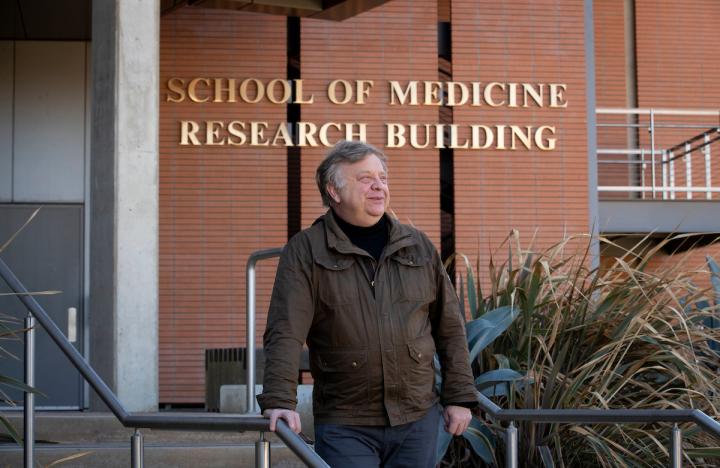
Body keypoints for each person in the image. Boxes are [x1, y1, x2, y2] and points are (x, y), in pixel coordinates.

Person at [257, 140, 477, 467]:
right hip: (346, 422)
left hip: (417, 419)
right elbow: (285, 330)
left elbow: (450, 326)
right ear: (333, 190)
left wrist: (459, 396)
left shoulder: (417, 245)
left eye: (382, 178)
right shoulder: (307, 250)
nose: (378, 186)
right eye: (365, 179)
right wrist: (279, 399)